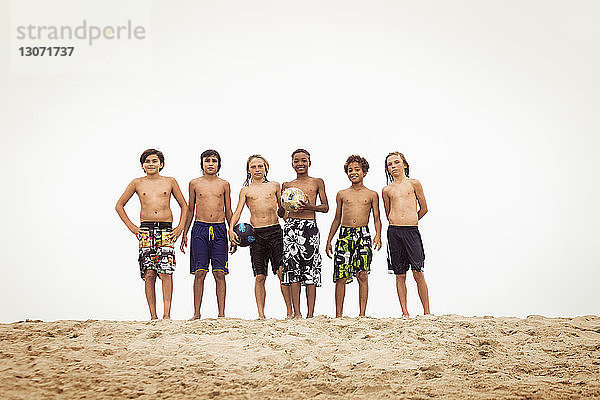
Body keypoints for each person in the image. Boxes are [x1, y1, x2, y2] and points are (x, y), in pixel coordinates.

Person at [115, 149, 187, 320]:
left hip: (166, 229)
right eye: (147, 161)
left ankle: (166, 315)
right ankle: (153, 316)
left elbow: (184, 205)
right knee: (149, 273)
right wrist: (132, 227)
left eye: (155, 161)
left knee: (166, 271)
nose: (151, 164)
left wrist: (179, 228)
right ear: (142, 165)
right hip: (146, 230)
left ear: (161, 164)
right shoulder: (137, 183)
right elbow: (119, 205)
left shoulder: (170, 182)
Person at [228, 154, 292, 319]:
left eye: (260, 166)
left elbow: (283, 210)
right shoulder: (246, 190)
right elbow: (238, 211)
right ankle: (261, 314)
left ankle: (289, 312)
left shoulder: (274, 186)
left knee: (281, 271)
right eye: (253, 167)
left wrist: (289, 213)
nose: (257, 169)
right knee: (260, 276)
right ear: (248, 170)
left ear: (266, 168)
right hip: (256, 234)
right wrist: (230, 229)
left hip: (276, 231)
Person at [180, 149, 234, 319]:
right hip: (200, 229)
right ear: (201, 163)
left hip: (219, 229)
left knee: (219, 273)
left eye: (214, 160)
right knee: (200, 272)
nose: (210, 164)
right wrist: (184, 232)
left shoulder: (224, 184)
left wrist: (231, 231)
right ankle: (196, 313)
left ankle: (221, 314)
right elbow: (190, 209)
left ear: (219, 164)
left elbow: (228, 210)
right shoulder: (194, 183)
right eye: (207, 160)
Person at [326, 155, 382, 317]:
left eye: (357, 169)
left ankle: (362, 314)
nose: (353, 172)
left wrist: (378, 235)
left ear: (364, 172)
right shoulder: (342, 194)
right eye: (350, 170)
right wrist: (329, 239)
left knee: (362, 274)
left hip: (363, 234)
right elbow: (337, 218)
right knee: (341, 275)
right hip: (345, 235)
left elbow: (377, 218)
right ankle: (339, 314)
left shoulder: (372, 194)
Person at [281, 149, 329, 318]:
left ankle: (310, 314)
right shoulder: (287, 185)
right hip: (291, 227)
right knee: (293, 269)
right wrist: (284, 203)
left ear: (310, 162)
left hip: (310, 226)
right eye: (296, 161)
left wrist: (309, 207)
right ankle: (297, 313)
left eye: (303, 160)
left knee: (310, 269)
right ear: (292, 164)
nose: (300, 164)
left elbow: (325, 207)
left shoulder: (317, 182)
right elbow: (281, 213)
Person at [382, 152, 430, 317]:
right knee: (400, 273)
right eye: (390, 164)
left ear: (404, 164)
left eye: (396, 162)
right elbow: (388, 211)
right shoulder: (387, 189)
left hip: (411, 231)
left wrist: (412, 219)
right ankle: (405, 312)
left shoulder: (414, 183)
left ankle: (427, 312)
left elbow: (424, 208)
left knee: (418, 271)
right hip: (394, 232)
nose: (393, 166)